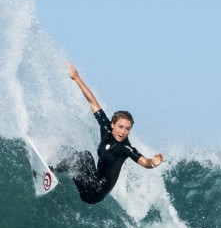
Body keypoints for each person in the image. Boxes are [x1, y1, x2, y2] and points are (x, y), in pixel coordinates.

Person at [54, 62, 164, 204]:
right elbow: (93, 103)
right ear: (112, 124)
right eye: (120, 127)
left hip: (94, 194)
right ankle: (54, 166)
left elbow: (144, 162)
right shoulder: (106, 129)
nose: (123, 132)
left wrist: (153, 163)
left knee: (82, 159)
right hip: (90, 181)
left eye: (127, 129)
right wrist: (77, 78)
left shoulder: (125, 148)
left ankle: (52, 170)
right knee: (79, 154)